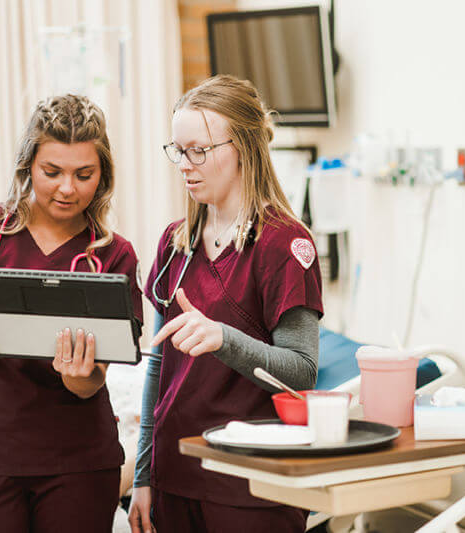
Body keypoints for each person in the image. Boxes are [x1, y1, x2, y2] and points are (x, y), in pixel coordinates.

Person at [0, 94, 143, 532]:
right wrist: (7, 326)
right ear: (28, 167)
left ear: (103, 176)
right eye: (51, 172)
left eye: (84, 174)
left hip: (78, 463)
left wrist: (77, 372)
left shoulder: (113, 256)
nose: (67, 188)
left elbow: (90, 382)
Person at [128, 75, 323, 533]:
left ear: (244, 147)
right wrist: (143, 474)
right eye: (179, 151)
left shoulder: (284, 244)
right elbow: (159, 367)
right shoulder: (176, 243)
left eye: (200, 149)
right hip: (176, 471)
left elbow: (300, 371)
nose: (186, 164)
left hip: (252, 482)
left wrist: (224, 339)